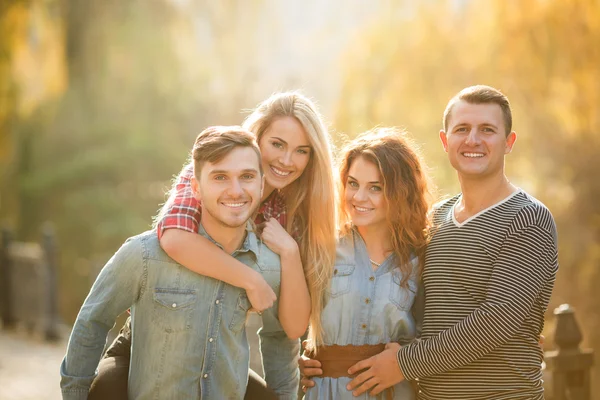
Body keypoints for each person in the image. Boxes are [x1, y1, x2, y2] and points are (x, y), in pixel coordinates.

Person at [302, 85, 559, 400]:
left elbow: (498, 319)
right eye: (462, 129)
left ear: (509, 142)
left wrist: (403, 363)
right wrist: (323, 360)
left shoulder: (528, 218)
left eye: (487, 130)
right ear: (445, 140)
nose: (473, 140)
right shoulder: (435, 220)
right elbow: (412, 312)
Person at [89, 91, 338, 399]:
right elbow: (175, 238)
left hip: (219, 353)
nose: (287, 161)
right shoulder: (211, 171)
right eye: (277, 144)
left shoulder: (297, 214)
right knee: (103, 391)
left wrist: (289, 251)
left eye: (302, 151)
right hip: (151, 343)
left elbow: (288, 330)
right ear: (256, 138)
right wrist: (250, 279)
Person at [60, 126, 300, 400]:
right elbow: (93, 320)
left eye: (246, 176)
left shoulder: (268, 266)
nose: (235, 190)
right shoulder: (145, 255)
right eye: (220, 177)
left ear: (261, 184)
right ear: (196, 188)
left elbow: (279, 339)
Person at [300, 128, 431, 399]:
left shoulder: (422, 257)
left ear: (400, 192)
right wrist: (295, 362)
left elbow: (433, 334)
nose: (359, 197)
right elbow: (289, 324)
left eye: (376, 188)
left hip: (394, 391)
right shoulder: (321, 248)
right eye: (353, 183)